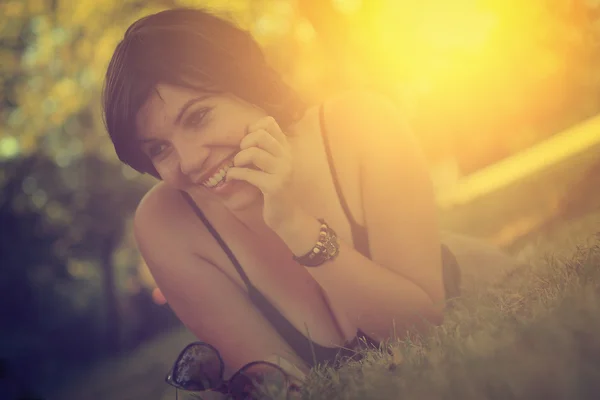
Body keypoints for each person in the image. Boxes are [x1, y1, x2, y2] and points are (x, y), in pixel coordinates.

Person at [102, 6, 516, 390]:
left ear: (245, 84)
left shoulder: (363, 128)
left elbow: (418, 328)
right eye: (158, 149)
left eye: (198, 117)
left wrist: (293, 224)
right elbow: (285, 388)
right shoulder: (166, 224)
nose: (188, 162)